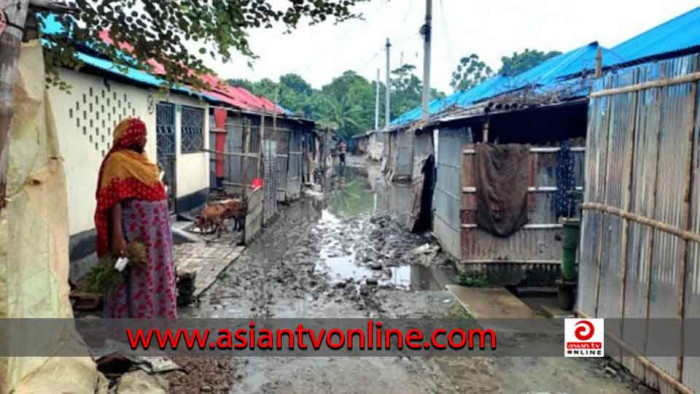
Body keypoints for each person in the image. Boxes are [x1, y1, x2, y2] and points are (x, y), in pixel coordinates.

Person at [94, 118, 177, 318]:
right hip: (136, 234)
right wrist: (118, 236)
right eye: (143, 136)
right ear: (132, 137)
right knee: (137, 275)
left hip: (156, 236)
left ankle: (158, 318)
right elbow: (113, 200)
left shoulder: (143, 160)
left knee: (156, 273)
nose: (146, 140)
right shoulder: (117, 161)